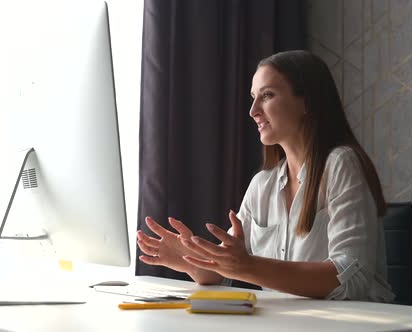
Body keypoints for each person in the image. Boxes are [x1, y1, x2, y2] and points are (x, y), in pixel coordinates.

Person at [136, 50, 395, 302]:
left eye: (267, 95)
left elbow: (351, 278)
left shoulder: (340, 163)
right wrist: (190, 258)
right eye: (253, 97)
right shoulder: (262, 185)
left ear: (306, 102)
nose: (253, 111)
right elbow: (222, 273)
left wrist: (247, 266)